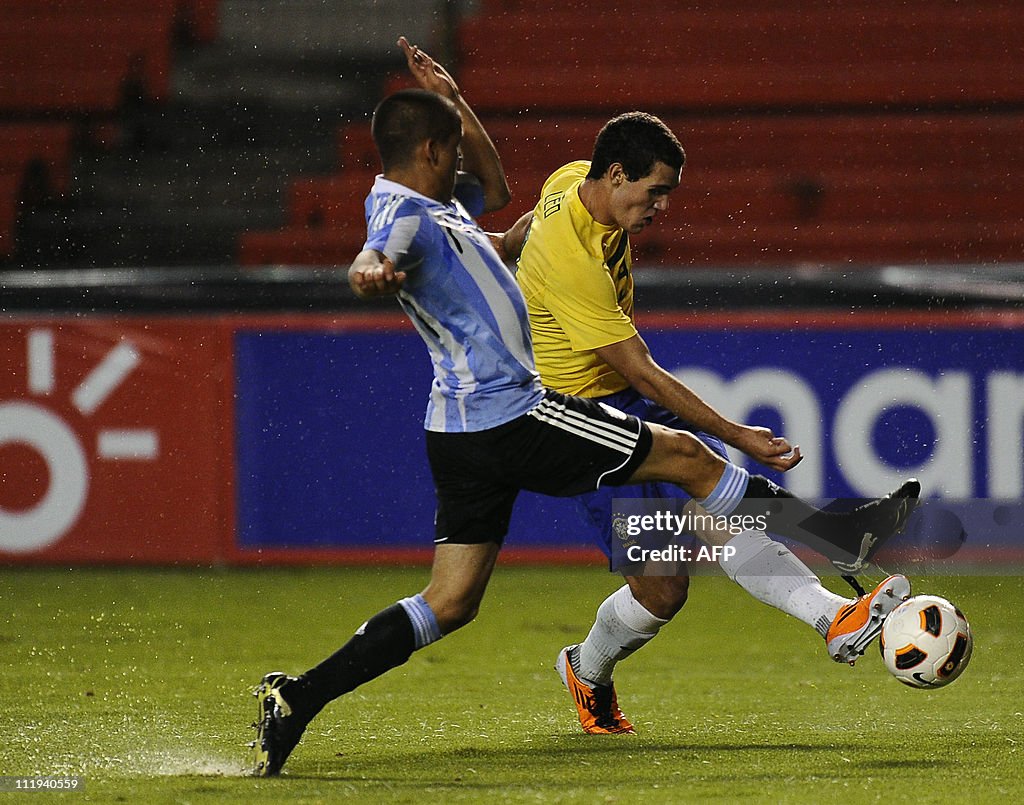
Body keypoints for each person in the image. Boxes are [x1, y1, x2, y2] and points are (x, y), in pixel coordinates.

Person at [250, 39, 912, 776]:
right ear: (432, 151)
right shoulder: (409, 216)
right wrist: (370, 269)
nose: (659, 210)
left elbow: (500, 199)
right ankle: (838, 543)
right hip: (526, 410)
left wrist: (458, 100)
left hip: (460, 427)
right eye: (654, 193)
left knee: (455, 599)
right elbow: (382, 249)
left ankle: (298, 696)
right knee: (695, 460)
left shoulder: (491, 197)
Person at [497, 112, 920, 734]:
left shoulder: (572, 182)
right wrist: (741, 434)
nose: (661, 207)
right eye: (655, 192)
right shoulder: (573, 259)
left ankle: (835, 609)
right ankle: (585, 671)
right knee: (663, 588)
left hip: (618, 397)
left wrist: (489, 253)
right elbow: (642, 371)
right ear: (617, 175)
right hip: (583, 421)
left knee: (710, 502)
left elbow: (523, 229)